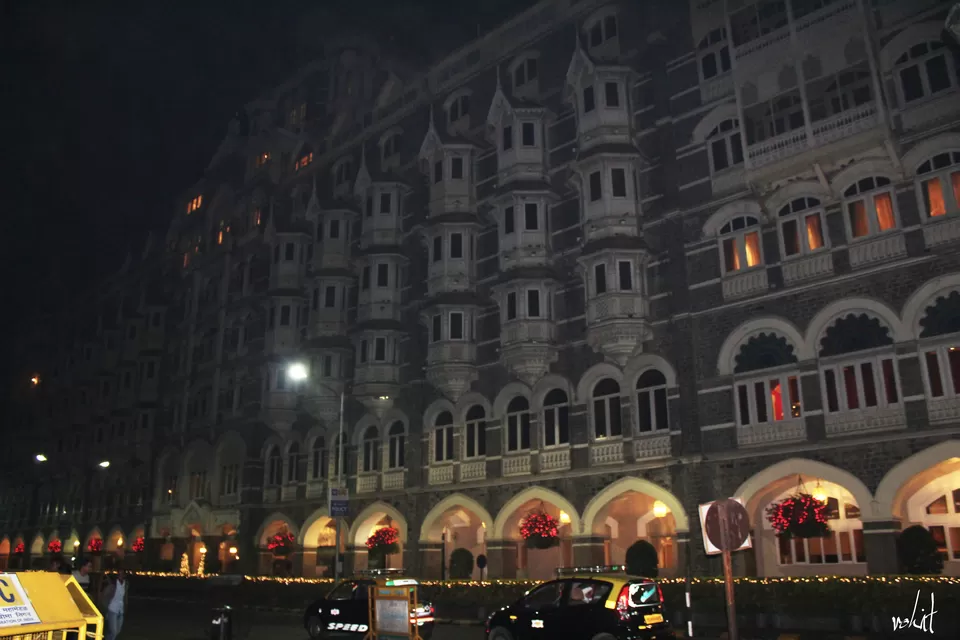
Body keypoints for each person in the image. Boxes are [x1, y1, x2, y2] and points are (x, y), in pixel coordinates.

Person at [100, 569, 129, 640]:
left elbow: (125, 597)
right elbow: (104, 595)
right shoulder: (113, 585)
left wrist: (126, 606)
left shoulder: (126, 584)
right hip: (112, 610)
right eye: (119, 574)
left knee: (117, 631)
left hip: (120, 611)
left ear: (124, 575)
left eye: (122, 574)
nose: (120, 576)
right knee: (114, 632)